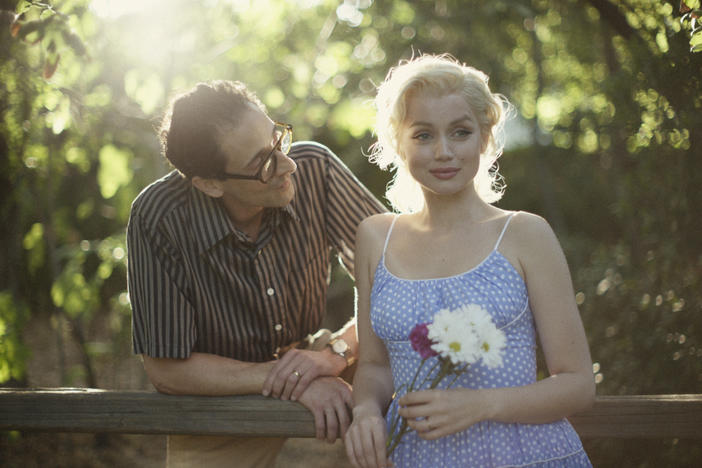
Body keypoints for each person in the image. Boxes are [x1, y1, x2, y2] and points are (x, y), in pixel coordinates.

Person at [344, 54, 595, 467]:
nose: (444, 151)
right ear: (397, 143)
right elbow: (373, 365)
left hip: (525, 456)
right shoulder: (375, 237)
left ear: (483, 138)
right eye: (423, 135)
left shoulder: (525, 234)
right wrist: (367, 411)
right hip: (412, 457)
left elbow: (578, 385)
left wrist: (480, 404)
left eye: (460, 132)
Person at [126, 80, 386, 468]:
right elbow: (167, 369)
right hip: (221, 391)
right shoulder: (159, 217)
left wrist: (334, 355)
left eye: (278, 140)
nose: (288, 164)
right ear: (210, 184)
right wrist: (295, 382)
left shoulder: (315, 168)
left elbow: (400, 274)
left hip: (322, 352)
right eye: (262, 162)